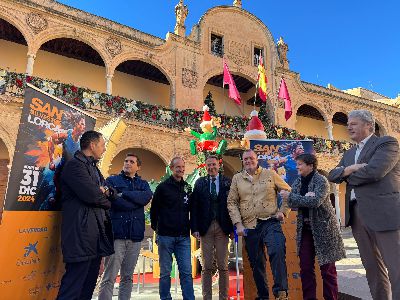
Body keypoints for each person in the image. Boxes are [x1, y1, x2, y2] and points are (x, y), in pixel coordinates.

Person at [328, 109, 400, 300]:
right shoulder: (349, 153)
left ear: (369, 125)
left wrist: (347, 176)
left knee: (396, 267)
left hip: (383, 212)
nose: (348, 127)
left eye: (354, 123)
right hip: (357, 216)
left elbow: (376, 172)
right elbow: (332, 175)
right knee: (372, 269)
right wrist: (350, 168)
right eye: (348, 124)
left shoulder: (386, 143)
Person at [57, 131, 115, 300]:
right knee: (73, 287)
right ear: (92, 145)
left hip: (95, 237)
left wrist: (104, 193)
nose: (104, 149)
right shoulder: (75, 166)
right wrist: (104, 197)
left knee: (87, 288)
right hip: (80, 236)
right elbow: (93, 196)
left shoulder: (94, 168)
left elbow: (111, 192)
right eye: (102, 145)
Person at [227, 149, 291, 300]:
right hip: (249, 226)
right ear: (243, 161)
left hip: (270, 222)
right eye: (245, 159)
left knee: (277, 250)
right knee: (257, 263)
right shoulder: (237, 178)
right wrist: (238, 224)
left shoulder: (270, 174)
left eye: (251, 158)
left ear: (257, 159)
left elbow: (288, 191)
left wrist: (283, 211)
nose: (248, 161)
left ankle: (281, 293)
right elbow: (231, 202)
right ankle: (263, 296)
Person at [281, 153, 345, 300]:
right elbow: (292, 204)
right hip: (305, 231)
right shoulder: (298, 181)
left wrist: (293, 197)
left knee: (327, 271)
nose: (297, 167)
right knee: (306, 269)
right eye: (297, 164)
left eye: (300, 164)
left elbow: (315, 202)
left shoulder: (322, 180)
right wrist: (303, 198)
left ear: (310, 165)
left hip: (325, 230)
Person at [98, 154, 153, 300]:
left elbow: (146, 197)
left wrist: (124, 194)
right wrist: (134, 201)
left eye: (132, 162)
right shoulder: (111, 181)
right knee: (109, 277)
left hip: (135, 237)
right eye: (126, 161)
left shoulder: (143, 184)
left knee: (127, 278)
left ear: (138, 167)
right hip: (117, 236)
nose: (128, 163)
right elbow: (116, 202)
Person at [150, 157, 195, 300]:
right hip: (165, 237)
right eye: (178, 167)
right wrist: (158, 231)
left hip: (183, 237)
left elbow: (192, 210)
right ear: (171, 168)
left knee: (186, 273)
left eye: (183, 167)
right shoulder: (162, 188)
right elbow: (154, 212)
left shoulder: (188, 187)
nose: (181, 170)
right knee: (165, 273)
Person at [190, 155, 233, 300]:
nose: (211, 167)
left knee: (223, 265)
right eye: (208, 165)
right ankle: (206, 297)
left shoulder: (228, 181)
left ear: (219, 165)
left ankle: (223, 297)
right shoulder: (200, 183)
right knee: (206, 266)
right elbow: (194, 207)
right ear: (205, 166)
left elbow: (233, 205)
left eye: (213, 164)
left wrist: (233, 228)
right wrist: (194, 227)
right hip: (205, 228)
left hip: (223, 228)